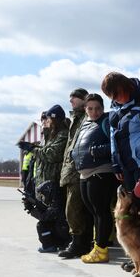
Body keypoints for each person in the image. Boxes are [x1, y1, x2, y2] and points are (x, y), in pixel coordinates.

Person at [101, 72, 140, 248]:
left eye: (118, 94)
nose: (116, 99)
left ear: (126, 88)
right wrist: (116, 164)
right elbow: (114, 137)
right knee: (134, 215)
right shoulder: (115, 107)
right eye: (112, 97)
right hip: (127, 168)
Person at [70, 93, 117, 263]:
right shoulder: (85, 123)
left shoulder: (107, 120)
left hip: (101, 171)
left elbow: (115, 143)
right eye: (90, 108)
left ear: (103, 108)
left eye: (98, 108)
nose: (94, 112)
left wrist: (97, 150)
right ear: (85, 109)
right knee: (93, 211)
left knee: (101, 211)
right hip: (84, 172)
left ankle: (102, 249)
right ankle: (97, 246)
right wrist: (73, 153)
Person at [18, 105, 71, 252]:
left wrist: (32, 148)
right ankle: (50, 242)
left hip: (54, 181)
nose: (44, 121)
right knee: (45, 216)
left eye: (47, 118)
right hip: (44, 183)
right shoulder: (48, 136)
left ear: (54, 119)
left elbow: (51, 154)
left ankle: (63, 241)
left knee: (57, 215)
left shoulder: (62, 134)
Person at [58, 88, 95, 259]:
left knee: (73, 209)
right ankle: (81, 242)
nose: (71, 99)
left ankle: (79, 243)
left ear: (83, 99)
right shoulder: (75, 119)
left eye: (75, 97)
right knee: (76, 208)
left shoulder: (86, 116)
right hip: (70, 169)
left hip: (78, 168)